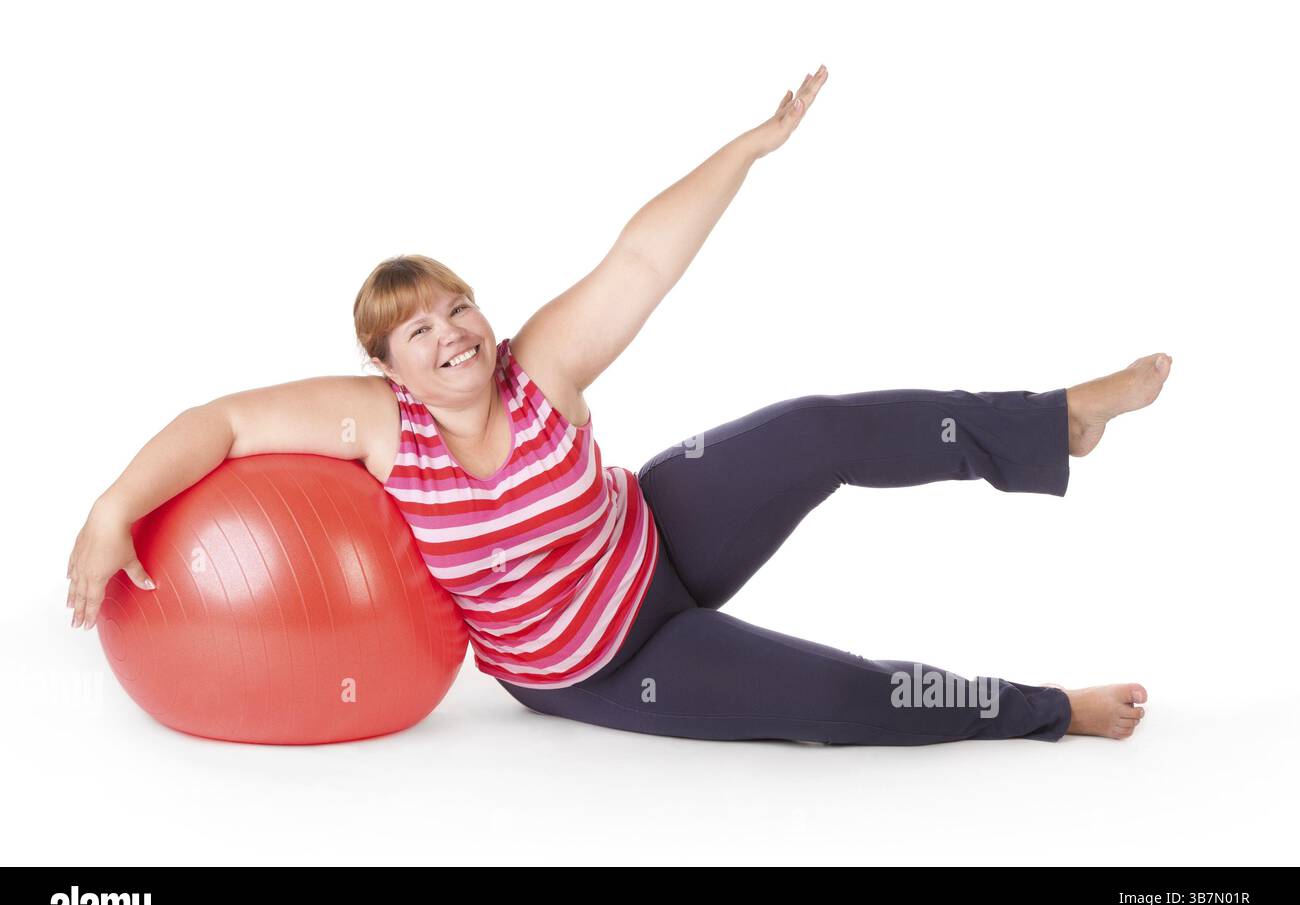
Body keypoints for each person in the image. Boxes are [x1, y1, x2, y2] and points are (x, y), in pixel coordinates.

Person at [66, 64, 1167, 745]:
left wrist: (747, 149)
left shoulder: (535, 370)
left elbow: (640, 259)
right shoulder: (379, 425)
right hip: (602, 664)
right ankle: (1044, 708)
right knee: (833, 702)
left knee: (815, 426)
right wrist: (118, 504)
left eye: (460, 307)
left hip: (656, 534)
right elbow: (222, 423)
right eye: (421, 330)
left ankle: (1054, 420)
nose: (453, 333)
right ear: (390, 364)